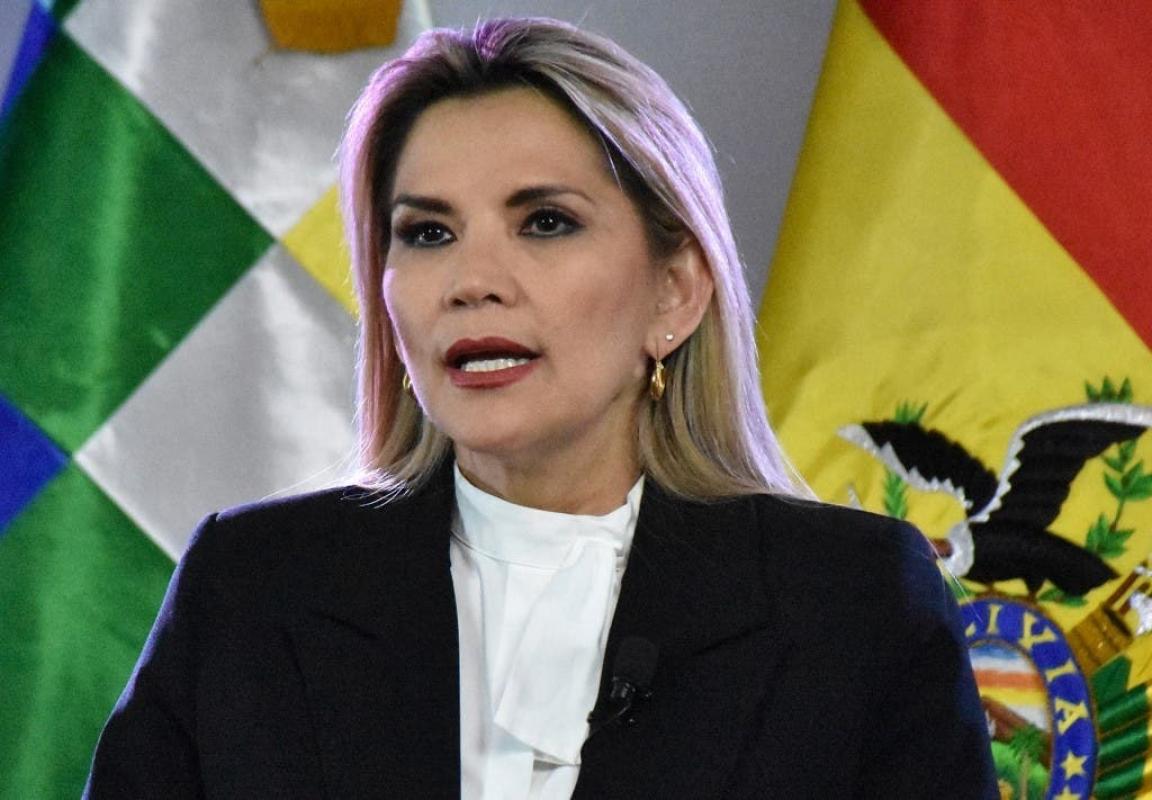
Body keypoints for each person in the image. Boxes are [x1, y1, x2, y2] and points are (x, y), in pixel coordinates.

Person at [84, 17, 997, 799]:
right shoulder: (251, 587)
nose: (472, 281)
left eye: (545, 222)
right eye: (428, 233)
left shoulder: (850, 603)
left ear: (676, 291)